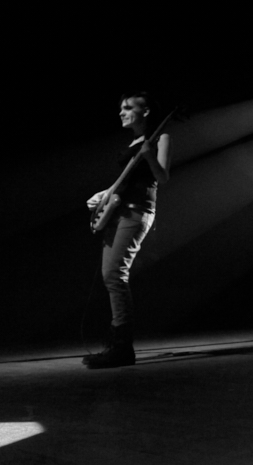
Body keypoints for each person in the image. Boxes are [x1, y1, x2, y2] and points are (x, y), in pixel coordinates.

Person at [83, 92, 172, 369]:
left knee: (115, 274)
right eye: (121, 108)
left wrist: (149, 156)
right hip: (118, 210)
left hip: (137, 212)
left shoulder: (160, 138)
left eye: (128, 107)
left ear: (145, 111)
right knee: (110, 275)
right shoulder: (132, 142)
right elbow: (126, 181)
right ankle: (118, 344)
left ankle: (122, 347)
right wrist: (103, 194)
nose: (121, 112)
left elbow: (162, 177)